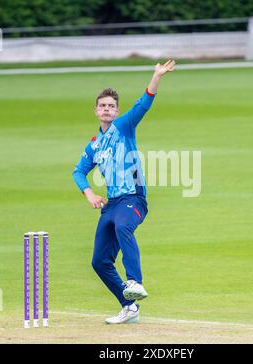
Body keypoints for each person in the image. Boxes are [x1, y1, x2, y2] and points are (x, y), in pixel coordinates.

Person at [73, 60, 175, 324]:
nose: (107, 109)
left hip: (134, 199)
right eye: (102, 106)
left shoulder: (124, 127)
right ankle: (129, 307)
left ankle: (135, 281)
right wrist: (90, 194)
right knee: (99, 261)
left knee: (123, 227)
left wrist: (156, 76)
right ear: (96, 111)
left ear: (117, 111)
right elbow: (78, 172)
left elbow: (144, 103)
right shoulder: (94, 144)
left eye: (111, 106)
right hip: (112, 204)